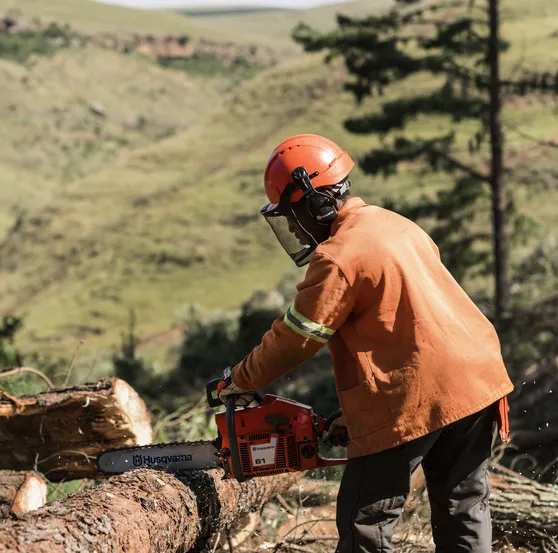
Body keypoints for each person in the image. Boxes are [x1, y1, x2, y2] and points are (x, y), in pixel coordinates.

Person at [215, 134, 514, 553]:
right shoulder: (395, 224)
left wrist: (237, 379)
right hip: (477, 379)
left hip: (417, 392)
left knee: (364, 523)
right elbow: (405, 328)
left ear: (314, 202)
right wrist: (355, 413)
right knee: (463, 507)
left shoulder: (338, 255)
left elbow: (298, 337)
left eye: (293, 214)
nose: (295, 227)